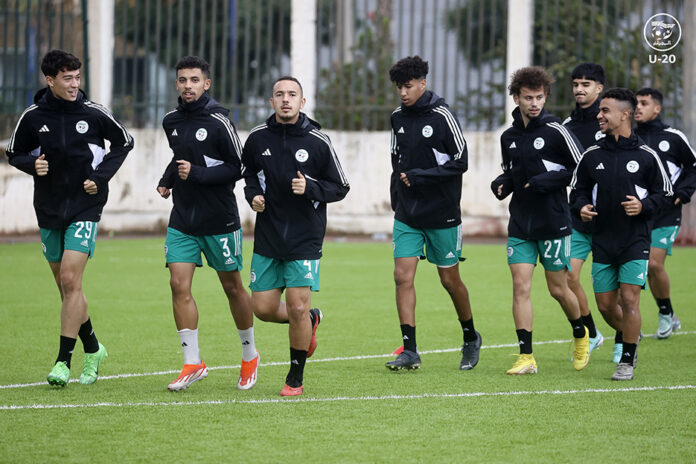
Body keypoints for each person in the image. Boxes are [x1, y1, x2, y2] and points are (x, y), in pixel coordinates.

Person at [6, 50, 134, 386]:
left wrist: (101, 176)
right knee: (68, 289)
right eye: (68, 78)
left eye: (78, 77)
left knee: (69, 280)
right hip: (48, 208)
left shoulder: (93, 113)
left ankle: (63, 362)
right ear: (50, 80)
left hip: (85, 205)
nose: (75, 84)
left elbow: (124, 142)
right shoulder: (33, 117)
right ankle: (93, 347)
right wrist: (31, 165)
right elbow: (14, 153)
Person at [242, 76, 349, 397]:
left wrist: (311, 188)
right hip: (269, 235)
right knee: (261, 308)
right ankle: (310, 321)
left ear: (303, 102)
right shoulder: (258, 139)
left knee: (297, 306)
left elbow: (340, 186)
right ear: (271, 101)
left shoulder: (318, 141)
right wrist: (254, 197)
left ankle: (295, 376)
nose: (285, 99)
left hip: (305, 237)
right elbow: (249, 176)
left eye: (292, 94)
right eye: (279, 94)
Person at [157, 56, 259, 392]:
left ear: (207, 84)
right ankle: (192, 362)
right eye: (183, 80)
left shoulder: (219, 121)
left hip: (219, 219)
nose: (188, 85)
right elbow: (180, 155)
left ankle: (249, 356)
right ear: (177, 84)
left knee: (232, 287)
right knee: (178, 284)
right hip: (183, 219)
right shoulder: (170, 120)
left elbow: (238, 166)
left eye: (194, 80)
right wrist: (168, 179)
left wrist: (197, 174)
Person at [384, 55, 481, 372]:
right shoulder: (397, 117)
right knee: (402, 276)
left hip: (442, 214)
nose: (403, 92)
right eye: (399, 87)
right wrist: (397, 201)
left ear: (423, 83)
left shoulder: (442, 116)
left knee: (449, 280)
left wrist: (422, 175)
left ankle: (470, 336)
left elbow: (461, 161)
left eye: (408, 86)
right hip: (408, 215)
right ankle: (409, 350)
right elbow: (396, 162)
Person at [491, 66, 589, 375]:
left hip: (553, 222)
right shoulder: (509, 137)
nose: (535, 103)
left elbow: (582, 167)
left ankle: (581, 333)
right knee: (520, 287)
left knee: (559, 290)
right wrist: (502, 182)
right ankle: (526, 356)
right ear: (516, 98)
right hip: (521, 223)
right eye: (528, 98)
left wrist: (548, 180)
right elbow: (512, 170)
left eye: (540, 97)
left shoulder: (556, 130)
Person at [570, 88, 673, 380]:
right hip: (602, 239)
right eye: (600, 111)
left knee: (629, 300)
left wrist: (643, 206)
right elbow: (576, 192)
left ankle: (626, 359)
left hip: (635, 240)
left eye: (605, 111)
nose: (599, 116)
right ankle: (631, 334)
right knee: (604, 305)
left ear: (624, 114)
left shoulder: (646, 155)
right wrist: (582, 208)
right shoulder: (592, 155)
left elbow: (664, 194)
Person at [563, 63, 625, 363]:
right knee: (567, 278)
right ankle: (591, 332)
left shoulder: (612, 125)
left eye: (586, 84)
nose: (579, 89)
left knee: (610, 302)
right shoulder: (565, 128)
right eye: (576, 83)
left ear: (600, 89)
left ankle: (625, 337)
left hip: (612, 224)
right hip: (578, 218)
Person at [634, 87, 696, 339]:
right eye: (635, 103)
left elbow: (693, 166)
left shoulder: (673, 136)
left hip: (667, 213)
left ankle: (665, 313)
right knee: (637, 266)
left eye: (644, 103)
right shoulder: (630, 137)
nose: (638, 107)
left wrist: (683, 193)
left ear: (657, 108)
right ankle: (630, 321)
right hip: (638, 213)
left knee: (653, 264)